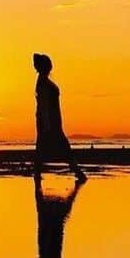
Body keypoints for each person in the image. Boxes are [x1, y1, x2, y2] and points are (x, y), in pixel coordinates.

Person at [32, 52, 85, 181]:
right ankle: (78, 173)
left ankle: (37, 176)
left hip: (50, 121)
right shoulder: (43, 83)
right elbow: (43, 106)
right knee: (63, 148)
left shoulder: (44, 81)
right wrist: (47, 125)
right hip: (50, 122)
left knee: (43, 149)